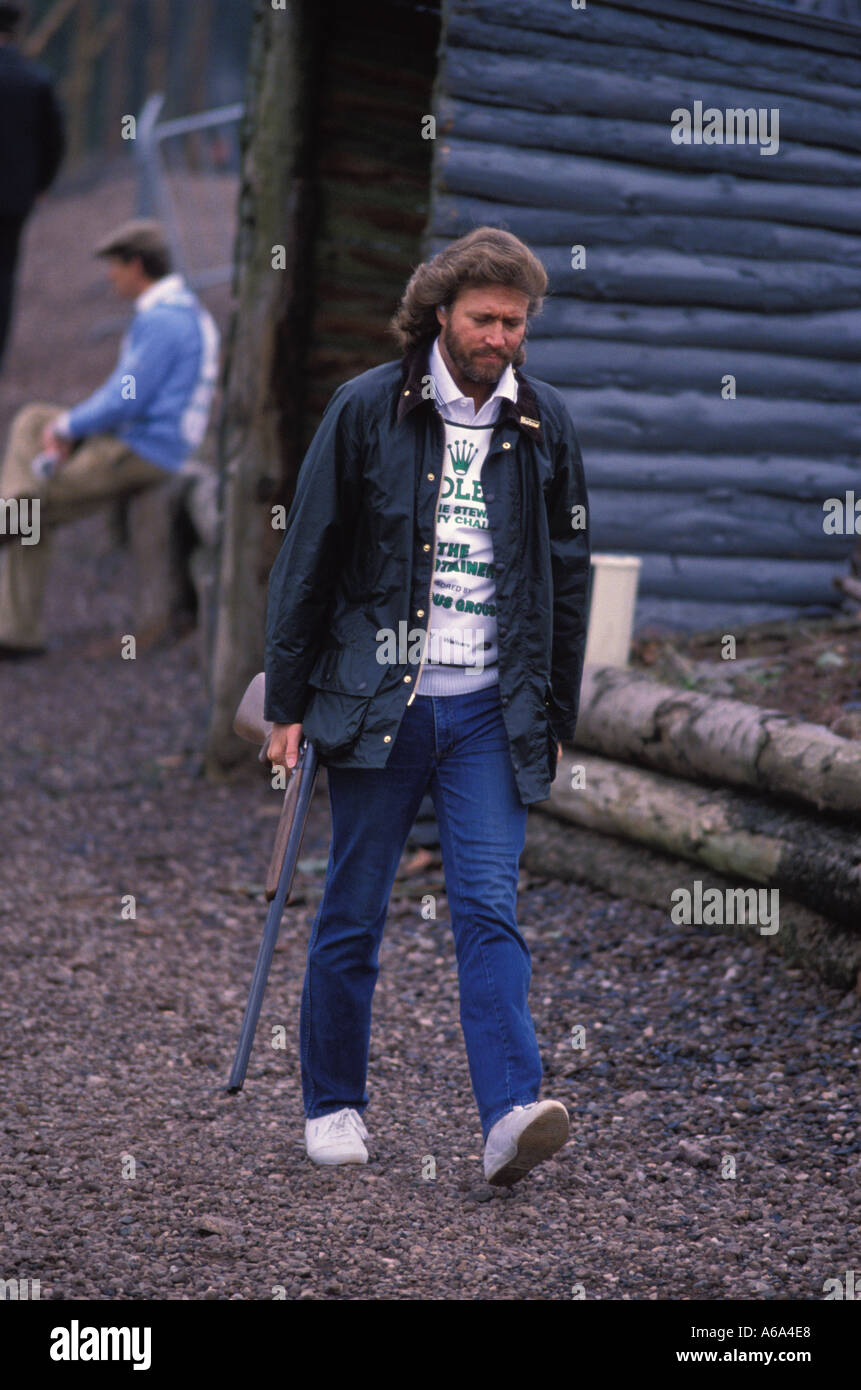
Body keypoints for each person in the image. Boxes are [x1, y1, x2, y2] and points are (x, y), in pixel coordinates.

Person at [264, 227, 591, 1187]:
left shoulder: (543, 423)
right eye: (484, 319)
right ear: (440, 313)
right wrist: (288, 698)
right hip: (380, 705)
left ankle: (509, 1114)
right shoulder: (366, 409)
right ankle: (331, 1105)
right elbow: (306, 561)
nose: (501, 338)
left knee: (489, 908)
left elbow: (565, 580)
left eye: (516, 323)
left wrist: (555, 717)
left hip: (492, 709)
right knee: (353, 909)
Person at [0, 219, 220, 657]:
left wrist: (70, 428)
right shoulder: (174, 310)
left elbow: (126, 399)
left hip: (143, 450)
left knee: (32, 511)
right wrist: (65, 426)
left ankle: (16, 616)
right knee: (33, 420)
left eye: (114, 266)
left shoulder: (164, 320)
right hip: (140, 440)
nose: (109, 276)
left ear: (136, 265)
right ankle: (12, 519)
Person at [0, 1, 65, 371]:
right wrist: (42, 183)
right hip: (14, 197)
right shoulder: (35, 79)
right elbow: (54, 139)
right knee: (5, 272)